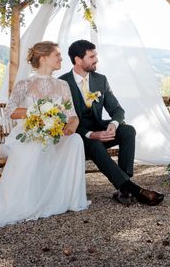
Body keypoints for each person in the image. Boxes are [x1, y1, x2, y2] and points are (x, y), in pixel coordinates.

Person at [0, 41, 89, 234]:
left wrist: (71, 126)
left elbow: (72, 115)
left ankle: (66, 197)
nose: (61, 58)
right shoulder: (25, 84)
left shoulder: (63, 85)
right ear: (43, 57)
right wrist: (39, 111)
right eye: (57, 55)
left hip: (54, 133)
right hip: (28, 133)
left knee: (76, 140)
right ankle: (29, 200)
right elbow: (9, 111)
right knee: (36, 145)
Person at [59, 39, 164, 206]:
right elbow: (62, 122)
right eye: (91, 56)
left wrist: (113, 124)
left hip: (100, 129)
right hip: (77, 136)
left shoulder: (100, 80)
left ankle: (124, 188)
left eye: (96, 56)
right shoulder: (62, 83)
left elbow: (117, 109)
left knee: (128, 130)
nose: (96, 60)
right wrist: (91, 134)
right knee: (93, 144)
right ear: (78, 60)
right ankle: (132, 190)